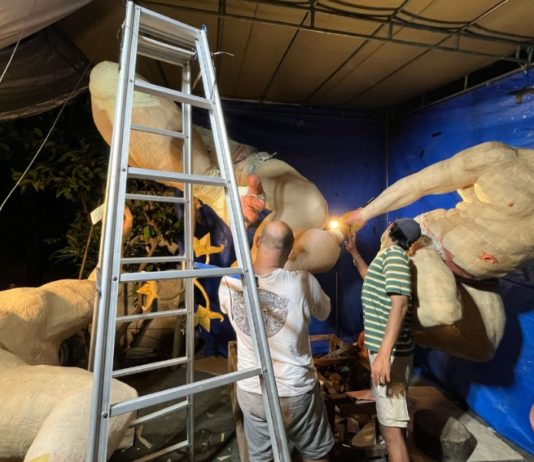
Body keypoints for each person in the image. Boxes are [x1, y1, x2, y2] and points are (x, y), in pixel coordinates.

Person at [341, 141, 534, 361]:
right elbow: (418, 184)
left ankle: (402, 332)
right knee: (443, 311)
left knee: (482, 348)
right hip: (428, 243)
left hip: (479, 276)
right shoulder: (500, 160)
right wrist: (363, 214)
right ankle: (386, 328)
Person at [218, 220, 334, 462]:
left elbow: (231, 309)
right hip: (295, 390)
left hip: (252, 389)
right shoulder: (303, 281)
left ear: (257, 241)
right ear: (290, 253)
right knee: (316, 455)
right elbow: (325, 311)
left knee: (262, 458)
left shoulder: (229, 281)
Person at [345, 218, 421, 462]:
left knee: (391, 432)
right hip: (386, 352)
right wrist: (354, 252)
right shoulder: (387, 257)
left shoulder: (395, 257)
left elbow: (400, 305)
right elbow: (370, 277)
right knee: (392, 425)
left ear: (390, 230)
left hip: (392, 356)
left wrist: (384, 356)